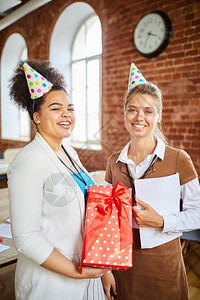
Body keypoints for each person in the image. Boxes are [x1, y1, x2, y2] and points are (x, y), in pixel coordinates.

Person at [8, 60, 107, 300]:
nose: (66, 114)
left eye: (70, 108)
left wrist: (103, 273)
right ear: (37, 117)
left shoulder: (69, 152)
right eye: (55, 108)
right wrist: (78, 273)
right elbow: (26, 238)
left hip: (87, 273)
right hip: (52, 285)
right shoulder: (28, 161)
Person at [102, 62, 200, 300]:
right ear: (125, 113)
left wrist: (160, 220)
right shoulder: (114, 163)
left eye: (148, 111)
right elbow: (105, 222)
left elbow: (198, 213)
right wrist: (104, 271)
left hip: (163, 268)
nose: (139, 117)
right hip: (122, 267)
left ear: (158, 116)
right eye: (132, 110)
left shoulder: (178, 159)